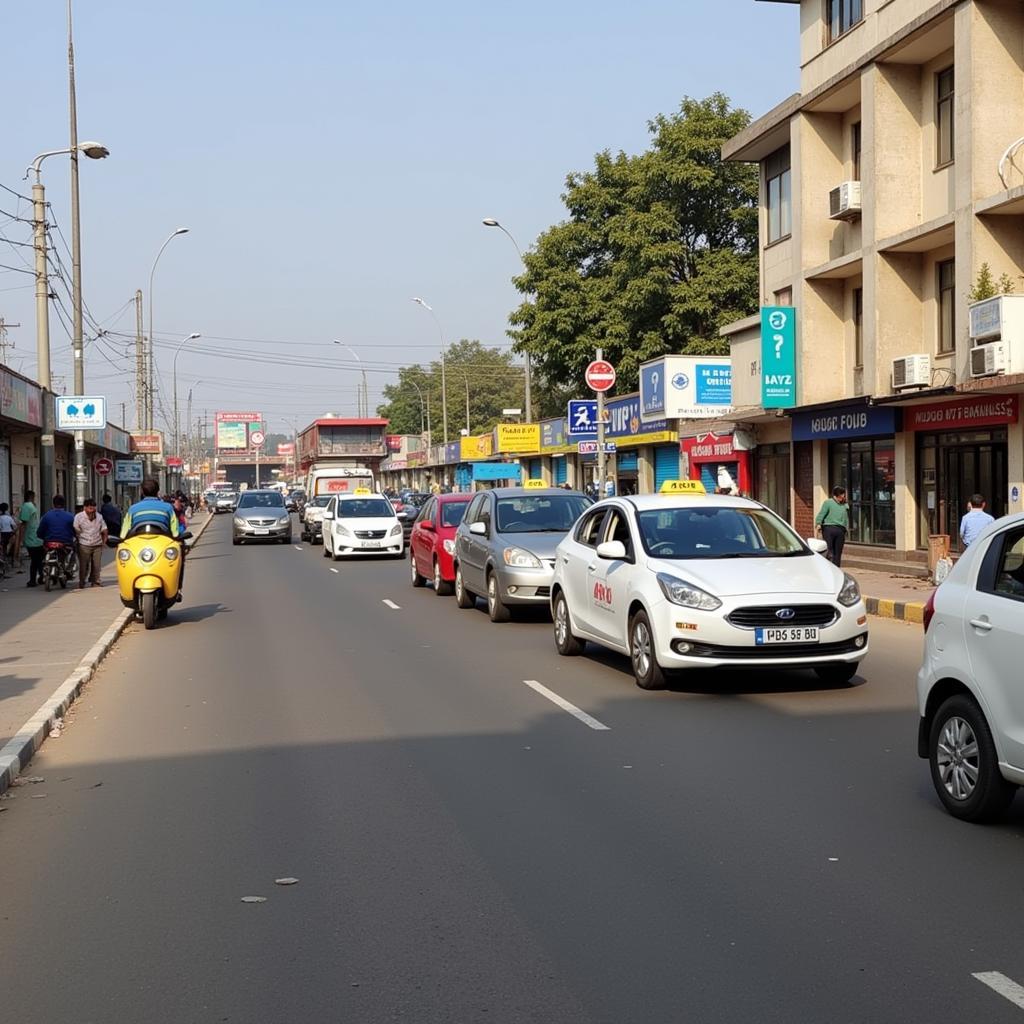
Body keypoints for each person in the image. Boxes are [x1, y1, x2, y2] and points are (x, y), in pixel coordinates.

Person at [37, 495, 78, 581]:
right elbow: (75, 531)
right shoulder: (70, 516)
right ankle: (69, 569)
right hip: (65, 543)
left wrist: (43, 537)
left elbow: (40, 531)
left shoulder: (46, 516)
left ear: (53, 504)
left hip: (49, 543)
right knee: (74, 550)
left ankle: (44, 571)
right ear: (64, 504)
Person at [74, 497, 108, 589]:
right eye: (89, 508)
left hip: (97, 544)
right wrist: (78, 537)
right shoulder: (79, 517)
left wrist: (104, 541)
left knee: (96, 565)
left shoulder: (99, 516)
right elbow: (76, 528)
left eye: (93, 508)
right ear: (85, 508)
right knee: (84, 565)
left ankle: (95, 581)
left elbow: (104, 529)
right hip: (84, 544)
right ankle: (82, 582)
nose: (92, 511)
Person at [815, 485, 850, 567]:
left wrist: (846, 529)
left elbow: (846, 517)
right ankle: (828, 567)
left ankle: (837, 568)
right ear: (835, 495)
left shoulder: (844, 504)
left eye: (843, 495)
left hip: (840, 530)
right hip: (829, 528)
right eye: (841, 495)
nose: (843, 496)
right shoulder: (828, 503)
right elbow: (822, 514)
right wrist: (818, 523)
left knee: (838, 552)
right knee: (829, 550)